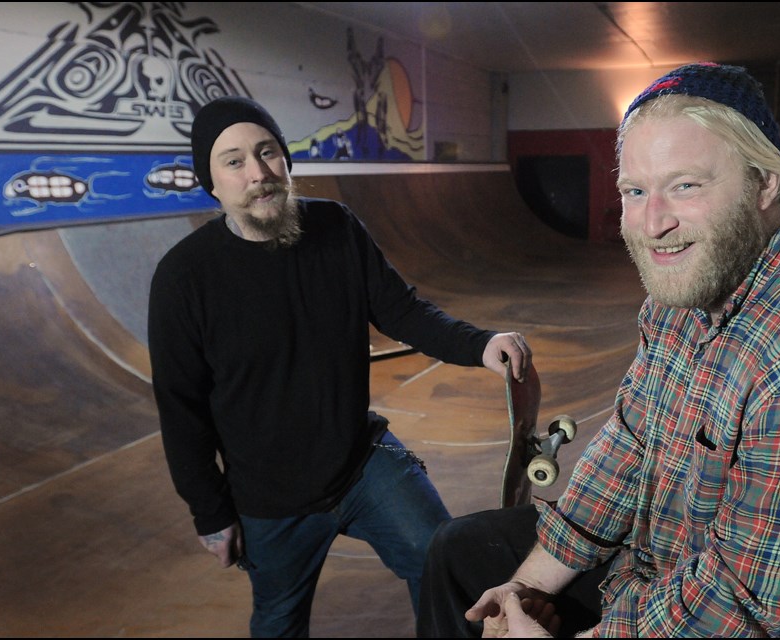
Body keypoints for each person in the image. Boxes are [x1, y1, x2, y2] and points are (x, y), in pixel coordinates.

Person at [416, 62, 780, 637]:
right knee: (461, 554)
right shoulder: (683, 299)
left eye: (686, 185)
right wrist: (525, 591)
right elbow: (629, 446)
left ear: (764, 183)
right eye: (636, 190)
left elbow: (734, 606)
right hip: (668, 560)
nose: (654, 223)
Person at [147, 95, 532, 638]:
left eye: (267, 152)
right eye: (234, 161)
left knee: (446, 567)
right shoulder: (184, 278)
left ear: (286, 159)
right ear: (210, 181)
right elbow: (180, 408)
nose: (258, 173)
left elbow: (402, 310)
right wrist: (209, 514)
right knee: (278, 620)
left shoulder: (335, 227)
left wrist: (479, 344)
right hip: (269, 497)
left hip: (361, 462)